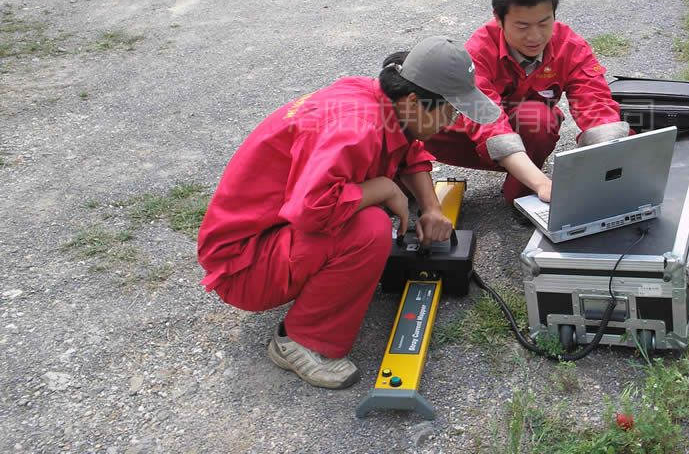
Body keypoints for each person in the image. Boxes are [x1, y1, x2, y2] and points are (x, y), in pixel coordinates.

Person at [197, 37, 500, 390]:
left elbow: (408, 149)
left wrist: (431, 208)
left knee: (371, 207)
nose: (451, 123)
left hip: (270, 234)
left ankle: (325, 287)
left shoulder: (381, 101)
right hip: (244, 264)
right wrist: (383, 189)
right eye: (449, 111)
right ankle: (301, 341)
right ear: (415, 101)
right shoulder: (355, 128)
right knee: (369, 227)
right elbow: (312, 210)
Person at [424, 0, 631, 205]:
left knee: (538, 119)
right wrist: (544, 183)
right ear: (498, 19)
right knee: (410, 126)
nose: (535, 37)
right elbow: (488, 124)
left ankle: (523, 199)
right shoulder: (477, 52)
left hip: (523, 135)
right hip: (461, 138)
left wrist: (611, 162)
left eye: (544, 23)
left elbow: (595, 104)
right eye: (522, 26)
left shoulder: (569, 46)